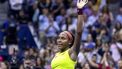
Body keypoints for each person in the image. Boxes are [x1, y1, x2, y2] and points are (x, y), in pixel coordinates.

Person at [51, 0, 88, 69]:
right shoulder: (56, 54)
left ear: (70, 42)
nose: (59, 40)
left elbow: (79, 32)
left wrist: (79, 10)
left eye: (63, 38)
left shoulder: (71, 52)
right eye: (59, 38)